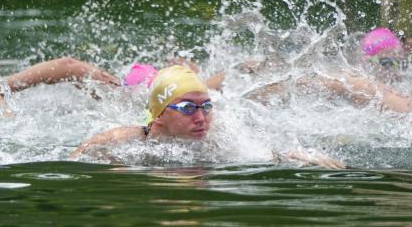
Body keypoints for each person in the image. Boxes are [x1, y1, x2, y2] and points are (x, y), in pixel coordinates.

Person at [70, 65, 345, 168]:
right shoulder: (125, 138)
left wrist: (303, 158)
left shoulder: (221, 132)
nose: (201, 118)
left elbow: (262, 154)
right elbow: (79, 157)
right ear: (160, 116)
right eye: (188, 108)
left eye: (206, 107)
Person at [246, 40, 412, 133]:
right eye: (386, 62)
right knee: (334, 79)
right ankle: (258, 91)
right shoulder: (364, 81)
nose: (393, 68)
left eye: (397, 61)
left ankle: (256, 93)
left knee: (335, 80)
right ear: (367, 61)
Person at [0, 57, 226, 112]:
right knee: (72, 68)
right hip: (144, 88)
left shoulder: (204, 98)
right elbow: (68, 66)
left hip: (165, 82)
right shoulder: (137, 103)